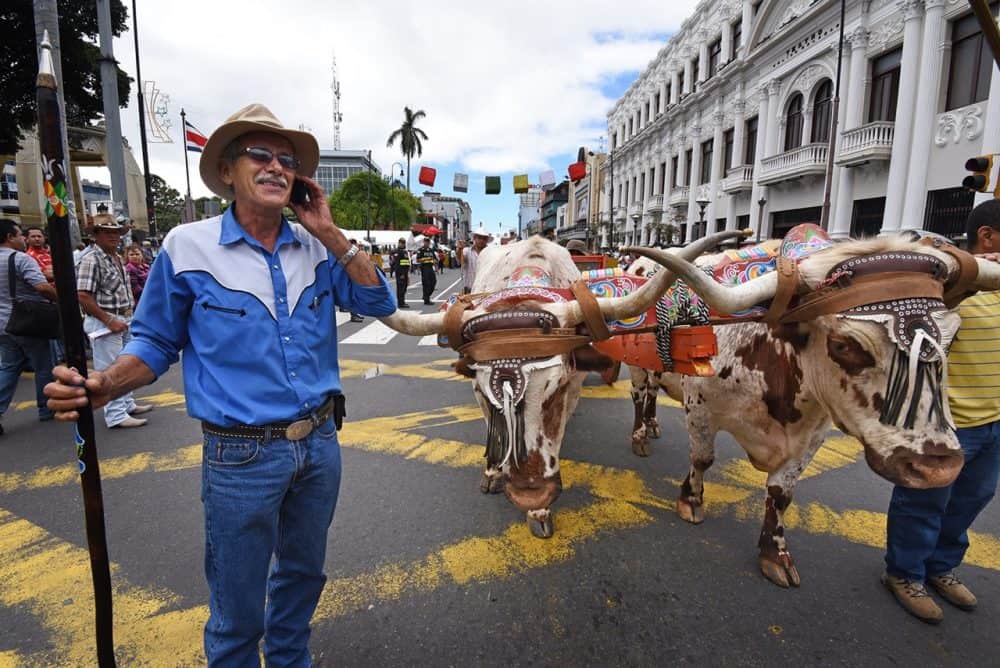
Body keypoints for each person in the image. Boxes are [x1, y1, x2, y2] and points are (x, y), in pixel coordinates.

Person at [45, 103, 396, 666]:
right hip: (240, 456)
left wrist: (330, 232)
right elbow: (157, 341)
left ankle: (290, 659)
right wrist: (106, 383)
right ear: (229, 171)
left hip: (321, 444)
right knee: (237, 601)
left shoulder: (316, 246)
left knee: (305, 574)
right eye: (261, 155)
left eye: (287, 160)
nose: (277, 167)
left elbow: (379, 301)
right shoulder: (187, 246)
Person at [882, 199, 1000, 624]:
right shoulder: (944, 286)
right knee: (924, 501)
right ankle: (905, 573)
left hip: (994, 423)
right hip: (945, 424)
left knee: (971, 500)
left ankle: (941, 568)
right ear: (987, 236)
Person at [76, 217, 153, 429]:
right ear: (96, 234)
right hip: (106, 320)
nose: (113, 236)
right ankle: (116, 414)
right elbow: (83, 295)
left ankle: (126, 405)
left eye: (116, 232)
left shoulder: (116, 257)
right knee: (108, 368)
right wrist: (108, 320)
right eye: (106, 231)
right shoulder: (92, 259)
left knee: (124, 365)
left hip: (124, 317)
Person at [0, 219, 58, 435]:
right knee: (44, 365)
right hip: (26, 322)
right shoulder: (20, 259)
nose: (23, 239)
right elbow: (42, 287)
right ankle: (47, 408)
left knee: (9, 366)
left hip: (2, 325)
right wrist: (61, 300)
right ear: (9, 237)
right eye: (20, 235)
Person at [461, 226, 490, 295]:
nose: (481, 240)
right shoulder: (467, 251)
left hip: (485, 290)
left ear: (487, 240)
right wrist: (459, 249)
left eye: (484, 238)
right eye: (479, 238)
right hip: (470, 288)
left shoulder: (491, 253)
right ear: (474, 238)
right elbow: (462, 260)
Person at [415, 236, 437, 305]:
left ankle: (426, 296)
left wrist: (435, 264)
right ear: (424, 242)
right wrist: (426, 259)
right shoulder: (421, 250)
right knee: (426, 284)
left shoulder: (431, 250)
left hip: (431, 267)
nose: (427, 243)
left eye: (428, 241)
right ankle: (426, 300)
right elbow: (418, 259)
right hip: (424, 268)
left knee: (433, 282)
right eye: (426, 241)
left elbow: (435, 259)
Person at [389, 237, 411, 308]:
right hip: (400, 272)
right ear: (399, 243)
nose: (402, 244)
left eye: (403, 243)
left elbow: (406, 262)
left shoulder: (404, 251)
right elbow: (398, 264)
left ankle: (402, 301)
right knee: (401, 288)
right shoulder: (397, 251)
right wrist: (401, 274)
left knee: (404, 287)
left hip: (405, 272)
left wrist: (406, 274)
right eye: (401, 243)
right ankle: (400, 303)